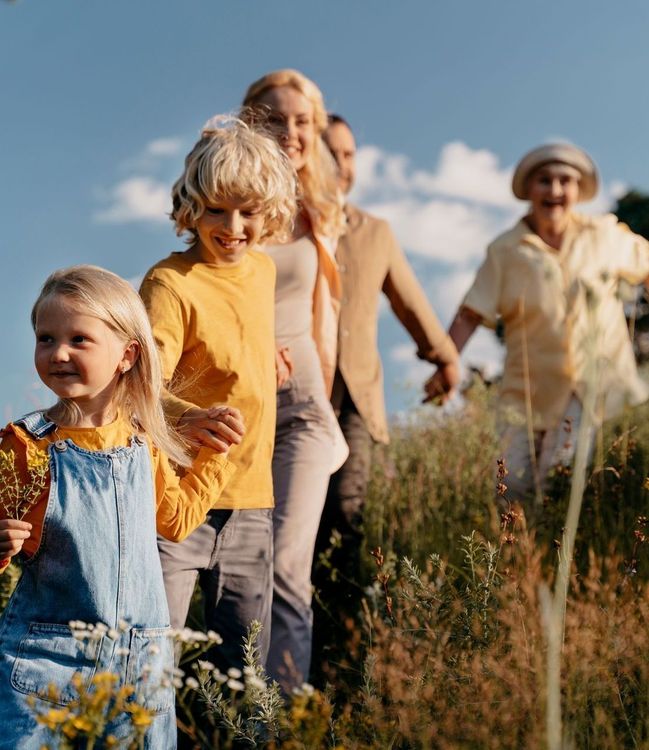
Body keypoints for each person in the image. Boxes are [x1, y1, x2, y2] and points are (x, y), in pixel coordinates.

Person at [0, 265, 238, 750]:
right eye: (45, 339)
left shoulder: (141, 445)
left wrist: (215, 456)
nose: (58, 353)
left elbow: (176, 521)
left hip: (141, 670)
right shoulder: (25, 446)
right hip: (49, 666)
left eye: (78, 339)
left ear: (127, 355)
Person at [139, 117, 297, 674]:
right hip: (178, 501)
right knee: (153, 659)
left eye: (249, 212)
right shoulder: (169, 283)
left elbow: (232, 336)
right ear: (190, 207)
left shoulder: (263, 272)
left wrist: (266, 356)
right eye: (216, 210)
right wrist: (189, 416)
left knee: (243, 672)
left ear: (269, 212)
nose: (233, 227)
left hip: (252, 499)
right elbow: (137, 383)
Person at [312, 114, 460, 672]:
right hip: (294, 397)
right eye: (330, 152)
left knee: (348, 519)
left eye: (350, 154)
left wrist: (444, 357)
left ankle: (344, 661)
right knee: (291, 529)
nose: (342, 165)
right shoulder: (279, 224)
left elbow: (409, 300)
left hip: (356, 401)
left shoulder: (376, 231)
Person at [428, 142, 649, 510]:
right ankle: (521, 564)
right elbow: (470, 313)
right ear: (529, 189)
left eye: (566, 181)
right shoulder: (505, 251)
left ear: (578, 190)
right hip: (525, 393)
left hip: (589, 388)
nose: (556, 191)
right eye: (545, 181)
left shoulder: (604, 235)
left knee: (559, 481)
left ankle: (560, 558)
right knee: (510, 488)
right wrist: (444, 365)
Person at [242, 70, 348, 692]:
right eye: (274, 119)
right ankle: (233, 703)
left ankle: (280, 714)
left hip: (304, 408)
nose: (291, 132)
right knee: (240, 567)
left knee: (286, 563)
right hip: (237, 410)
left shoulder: (321, 213)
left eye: (303, 120)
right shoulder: (226, 202)